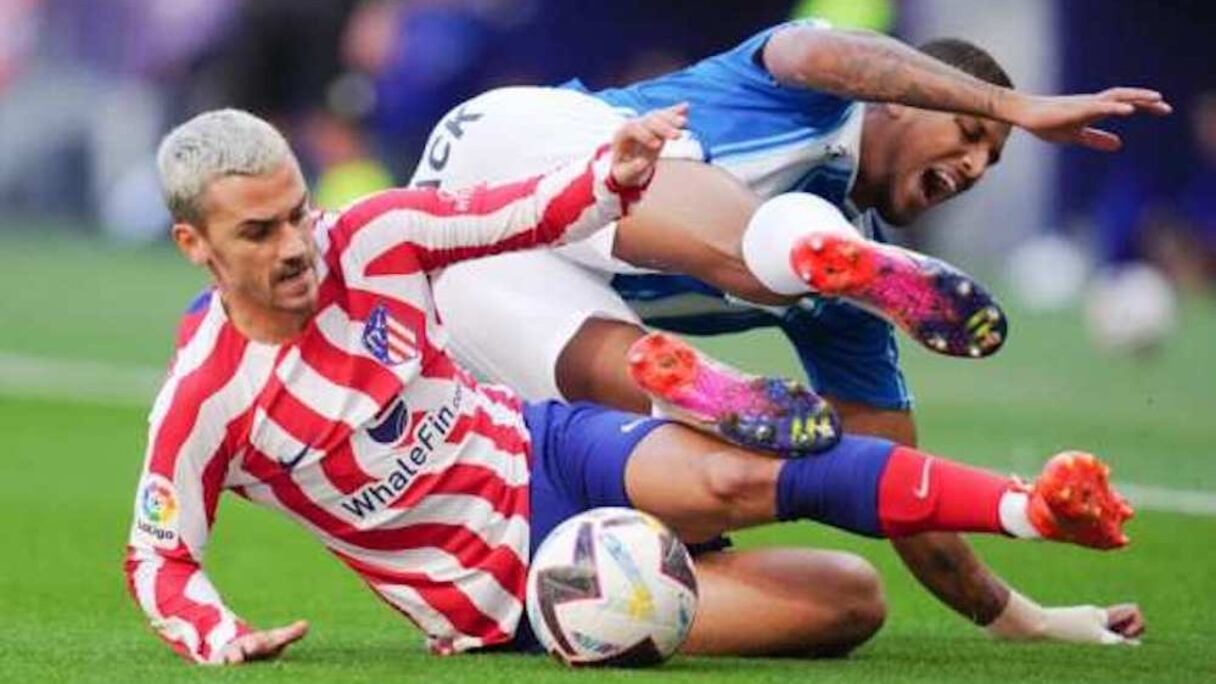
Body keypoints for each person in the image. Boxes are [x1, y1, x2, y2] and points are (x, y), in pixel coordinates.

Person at [125, 107, 1137, 665]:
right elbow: (159, 556)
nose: (300, 245)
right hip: (510, 591)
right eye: (261, 233)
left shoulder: (375, 235)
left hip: (543, 446)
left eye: (298, 212)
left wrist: (611, 175)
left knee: (738, 473)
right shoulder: (207, 398)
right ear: (194, 247)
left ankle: (1029, 507)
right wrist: (215, 634)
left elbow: (515, 211)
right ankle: (647, 480)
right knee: (849, 604)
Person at [408, 20, 1167, 644]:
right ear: (895, 100)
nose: (974, 163)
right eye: (969, 132)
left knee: (838, 590)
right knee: (759, 258)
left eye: (990, 159)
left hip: (491, 286)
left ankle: (694, 391)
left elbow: (895, 474)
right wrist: (1010, 103)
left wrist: (1023, 620)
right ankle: (793, 257)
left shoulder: (853, 315)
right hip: (513, 156)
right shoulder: (809, 95)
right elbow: (818, 50)